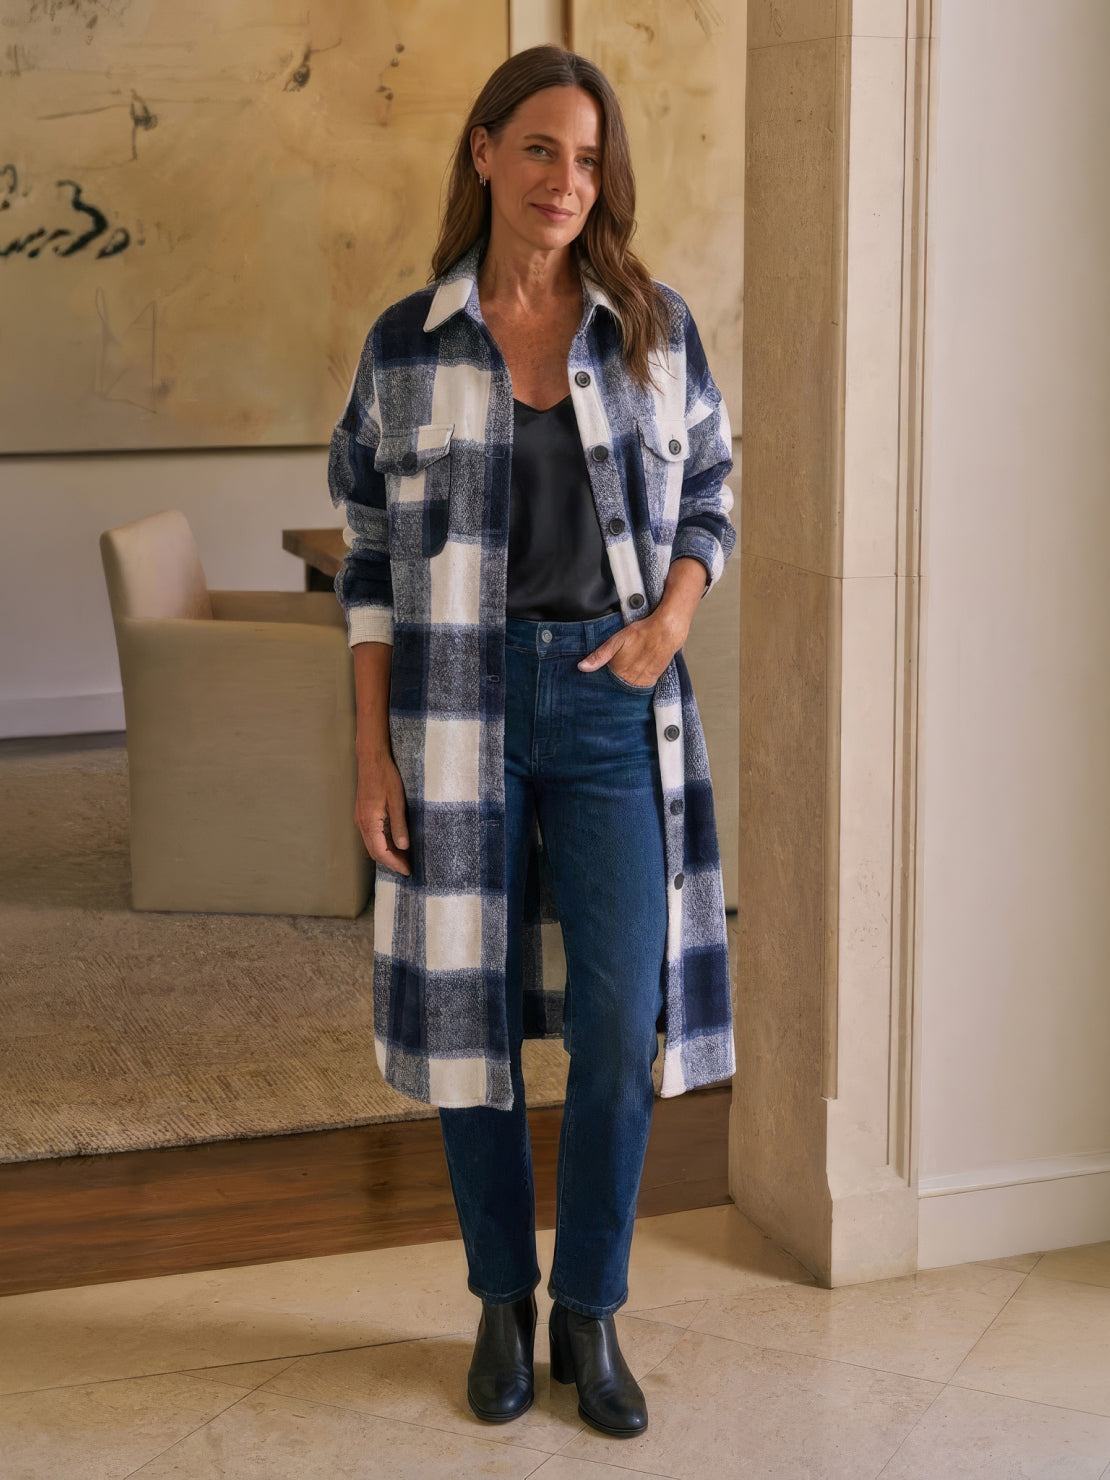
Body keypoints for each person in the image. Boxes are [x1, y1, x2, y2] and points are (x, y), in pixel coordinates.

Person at [328, 44, 737, 1441]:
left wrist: (674, 615)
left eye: (589, 159)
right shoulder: (406, 343)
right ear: (486, 152)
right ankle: (501, 1303)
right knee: (470, 1016)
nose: (567, 181)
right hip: (456, 710)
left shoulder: (652, 329)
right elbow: (367, 560)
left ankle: (590, 1311)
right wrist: (371, 756)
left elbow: (712, 488)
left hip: (613, 703)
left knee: (621, 1022)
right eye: (543, 149)